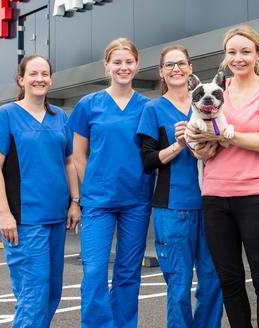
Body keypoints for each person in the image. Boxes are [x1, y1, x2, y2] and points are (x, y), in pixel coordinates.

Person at [188, 25, 259, 328]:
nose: (238, 58)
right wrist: (198, 145)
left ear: (258, 54)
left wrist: (219, 135)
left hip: (255, 197)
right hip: (215, 197)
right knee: (229, 281)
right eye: (232, 52)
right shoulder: (216, 90)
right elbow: (197, 133)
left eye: (245, 51)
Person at [0, 54, 80, 328]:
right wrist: (5, 214)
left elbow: (69, 162)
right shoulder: (5, 116)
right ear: (21, 79)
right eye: (33, 74)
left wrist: (74, 201)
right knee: (33, 295)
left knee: (52, 293)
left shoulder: (60, 116)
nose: (40, 79)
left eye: (44, 74)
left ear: (50, 79)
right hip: (24, 220)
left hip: (56, 218)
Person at [68, 37, 153, 328]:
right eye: (117, 62)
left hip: (136, 200)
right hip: (98, 202)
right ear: (107, 65)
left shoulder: (148, 107)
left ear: (137, 65)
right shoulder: (88, 104)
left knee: (128, 273)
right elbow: (78, 155)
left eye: (129, 61)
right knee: (93, 272)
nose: (123, 67)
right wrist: (86, 191)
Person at [137, 45, 223, 328]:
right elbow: (148, 161)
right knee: (178, 285)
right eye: (169, 64)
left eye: (182, 63)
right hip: (173, 210)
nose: (176, 69)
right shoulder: (152, 109)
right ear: (161, 71)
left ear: (190, 69)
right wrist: (178, 145)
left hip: (213, 205)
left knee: (213, 281)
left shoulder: (207, 102)